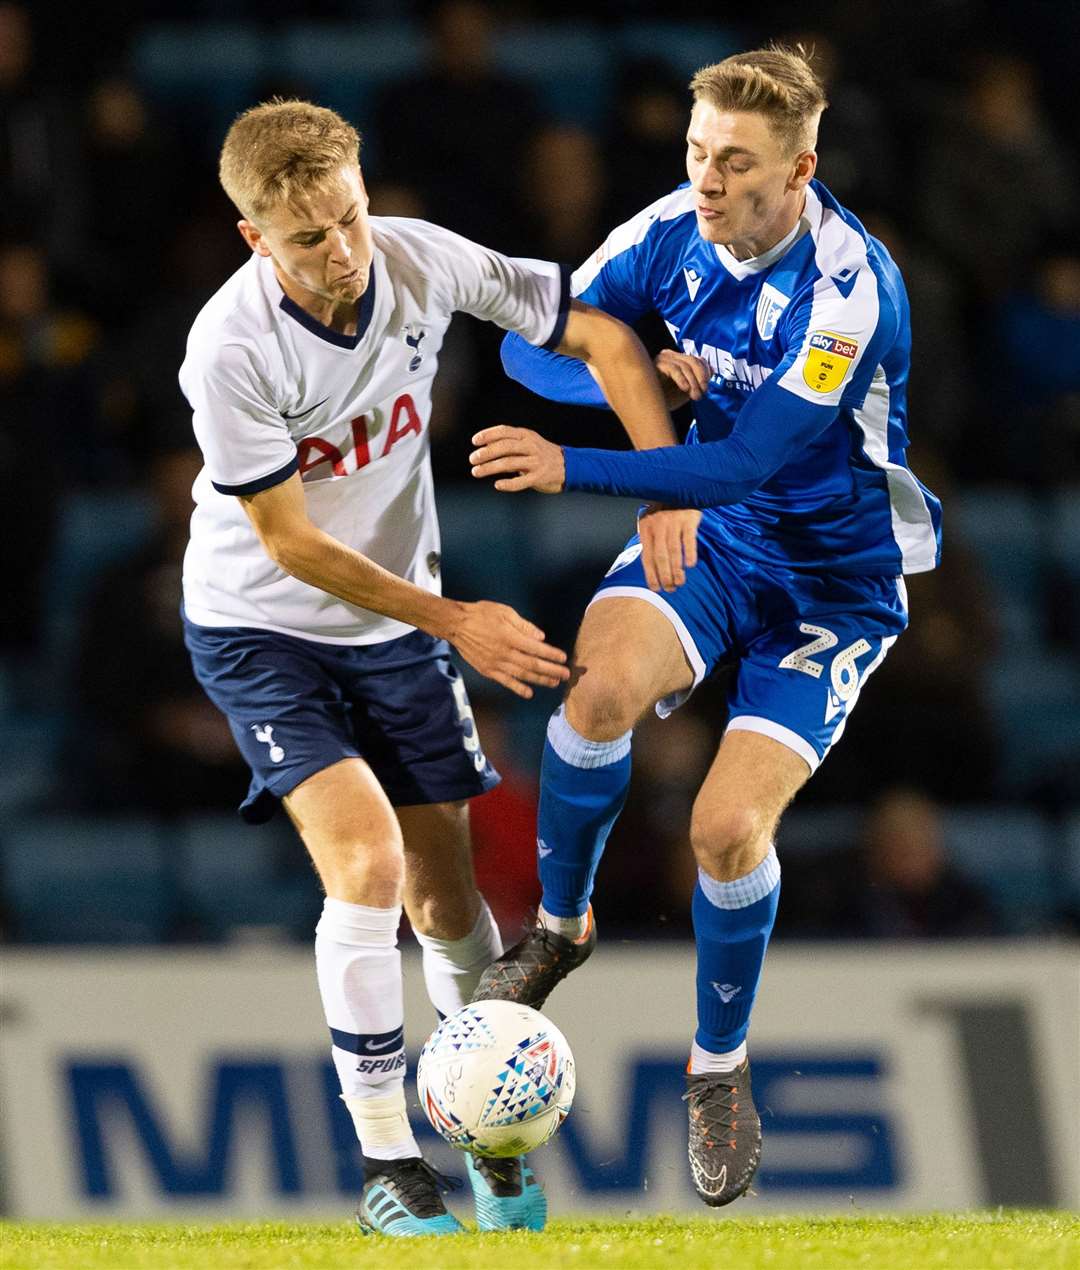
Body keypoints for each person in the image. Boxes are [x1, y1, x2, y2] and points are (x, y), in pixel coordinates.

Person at [179, 100, 680, 1236]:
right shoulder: (230, 346)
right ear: (256, 239)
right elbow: (293, 544)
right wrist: (456, 618)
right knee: (362, 861)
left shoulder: (419, 258)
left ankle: (489, 1142)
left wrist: (668, 473)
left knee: (449, 897)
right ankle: (387, 1167)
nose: (342, 252)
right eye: (307, 239)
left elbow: (595, 332)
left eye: (349, 218)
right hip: (265, 629)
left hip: (400, 627)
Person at [467, 46, 941, 1209]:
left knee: (726, 833)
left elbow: (747, 460)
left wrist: (578, 459)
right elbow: (536, 340)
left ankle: (717, 1070)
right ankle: (561, 929)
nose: (710, 182)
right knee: (595, 694)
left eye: (736, 163)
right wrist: (632, 373)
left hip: (830, 580)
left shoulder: (850, 288)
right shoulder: (666, 227)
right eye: (697, 154)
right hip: (718, 543)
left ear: (802, 169)